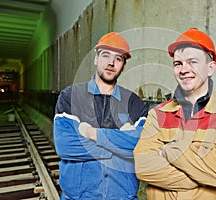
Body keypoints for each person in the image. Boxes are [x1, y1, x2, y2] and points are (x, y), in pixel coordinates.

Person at [133, 27, 216, 199]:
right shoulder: (158, 114)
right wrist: (203, 177)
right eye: (178, 63)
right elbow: (143, 166)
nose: (184, 69)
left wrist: (169, 151)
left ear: (211, 68)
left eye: (193, 62)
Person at [53, 32, 147, 200]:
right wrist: (119, 144)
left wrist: (92, 134)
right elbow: (65, 145)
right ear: (96, 59)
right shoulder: (71, 96)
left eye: (118, 59)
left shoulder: (134, 103)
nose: (111, 63)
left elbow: (141, 147)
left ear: (124, 66)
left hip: (123, 196)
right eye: (106, 56)